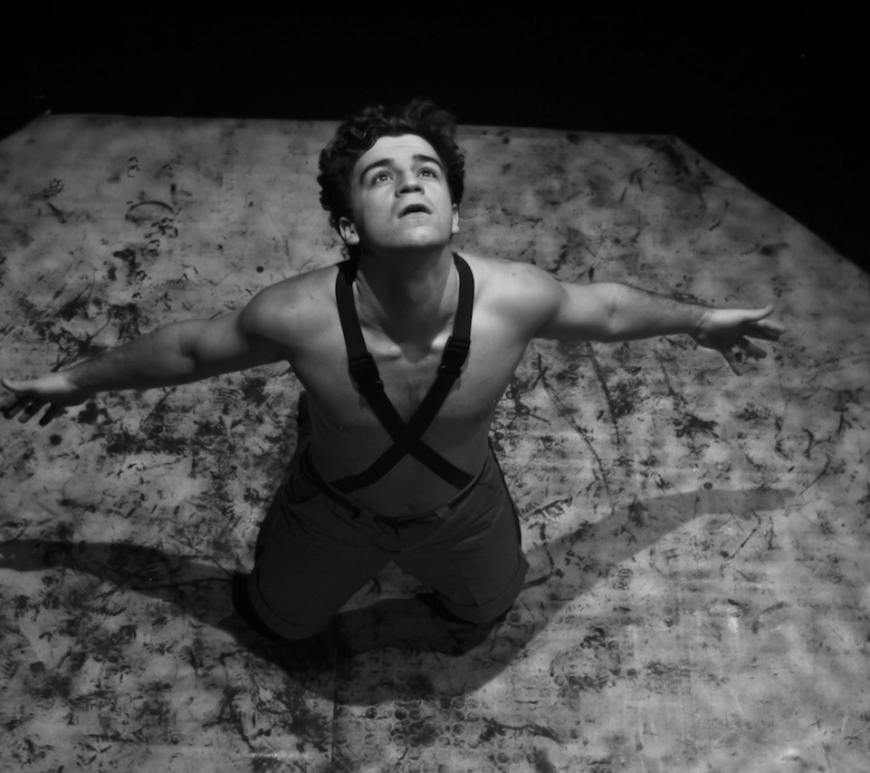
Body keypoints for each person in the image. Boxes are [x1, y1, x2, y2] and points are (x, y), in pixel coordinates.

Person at [1, 99, 783, 653]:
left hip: (462, 505)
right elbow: (190, 352)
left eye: (427, 171)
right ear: (347, 224)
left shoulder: (514, 297)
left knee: (486, 611)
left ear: (454, 212)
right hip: (334, 508)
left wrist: (700, 321)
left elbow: (606, 309)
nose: (410, 183)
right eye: (381, 176)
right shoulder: (298, 314)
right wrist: (80, 379)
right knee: (280, 623)